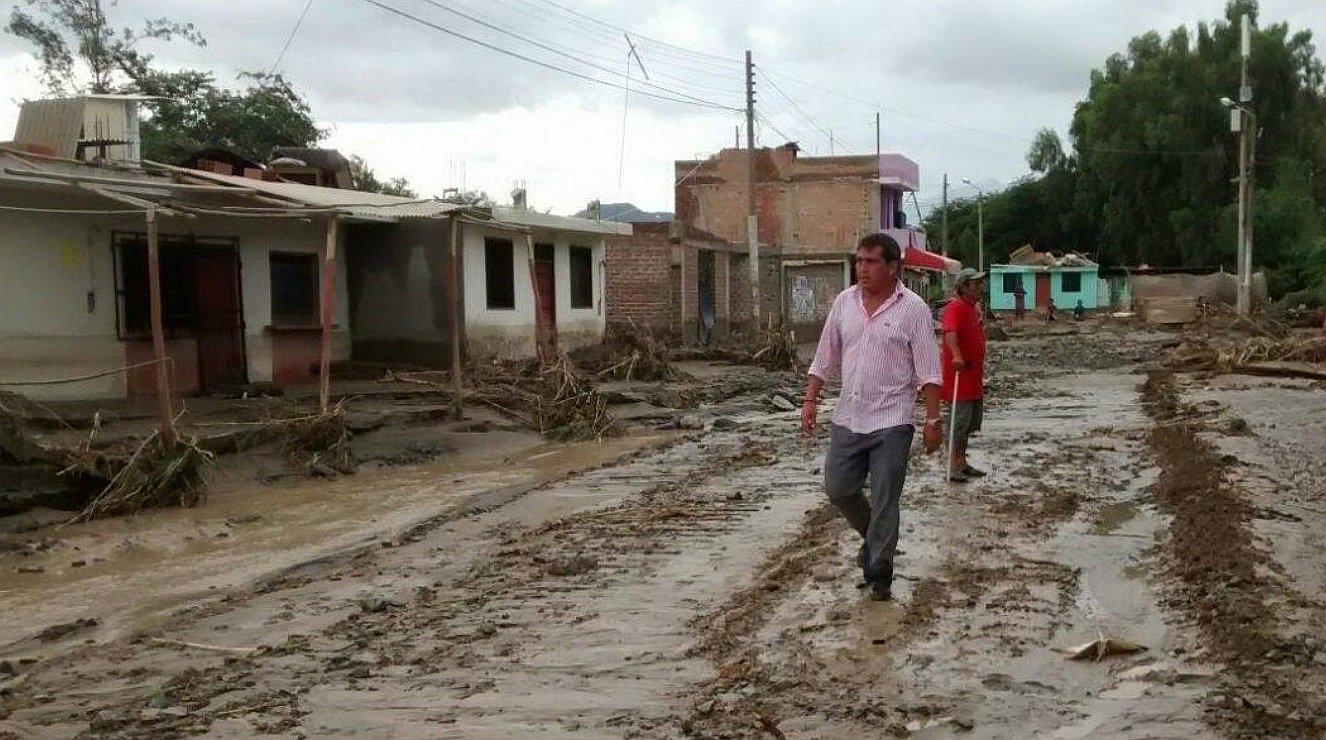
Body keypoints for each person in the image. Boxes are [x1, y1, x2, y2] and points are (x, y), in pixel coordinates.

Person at [801, 233, 943, 602]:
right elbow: (825, 356)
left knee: (885, 499)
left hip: (893, 421)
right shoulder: (844, 303)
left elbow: (929, 370)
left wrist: (932, 420)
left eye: (871, 262)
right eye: (859, 261)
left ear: (893, 267)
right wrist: (810, 399)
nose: (862, 269)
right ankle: (875, 539)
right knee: (838, 487)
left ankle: (879, 573)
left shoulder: (913, 309)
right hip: (849, 416)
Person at [941, 268, 987, 483]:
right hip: (960, 378)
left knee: (968, 425)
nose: (979, 287)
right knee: (958, 425)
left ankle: (961, 462)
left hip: (973, 379)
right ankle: (952, 465)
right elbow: (950, 333)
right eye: (975, 283)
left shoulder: (971, 308)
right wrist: (957, 356)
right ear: (964, 286)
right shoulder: (956, 307)